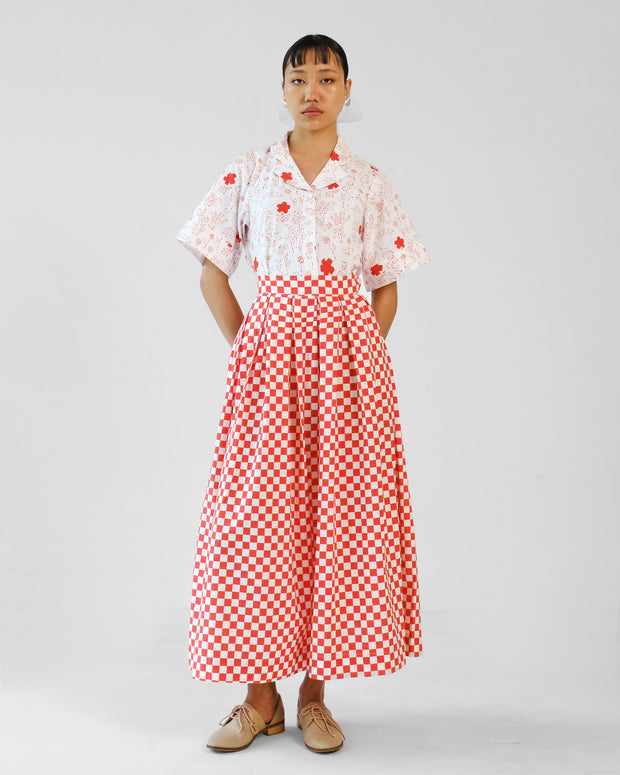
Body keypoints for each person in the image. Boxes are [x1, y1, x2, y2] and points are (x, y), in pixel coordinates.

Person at [176, 33, 430, 755]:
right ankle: (260, 698)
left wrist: (360, 359)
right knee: (255, 522)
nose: (311, 90)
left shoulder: (369, 181)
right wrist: (249, 349)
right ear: (282, 89)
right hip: (268, 375)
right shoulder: (251, 172)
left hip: (348, 380)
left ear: (348, 89)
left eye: (326, 77)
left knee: (336, 522)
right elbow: (211, 272)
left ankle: (315, 697)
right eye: (298, 78)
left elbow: (385, 284)